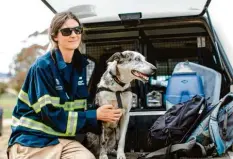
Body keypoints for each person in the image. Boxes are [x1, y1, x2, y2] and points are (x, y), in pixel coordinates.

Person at [7, 11, 122, 159]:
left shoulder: (79, 66)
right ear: (55, 36)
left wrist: (102, 113)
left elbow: (76, 110)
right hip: (32, 140)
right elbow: (51, 115)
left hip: (61, 139)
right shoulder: (42, 67)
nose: (74, 35)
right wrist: (95, 115)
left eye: (77, 30)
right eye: (67, 31)